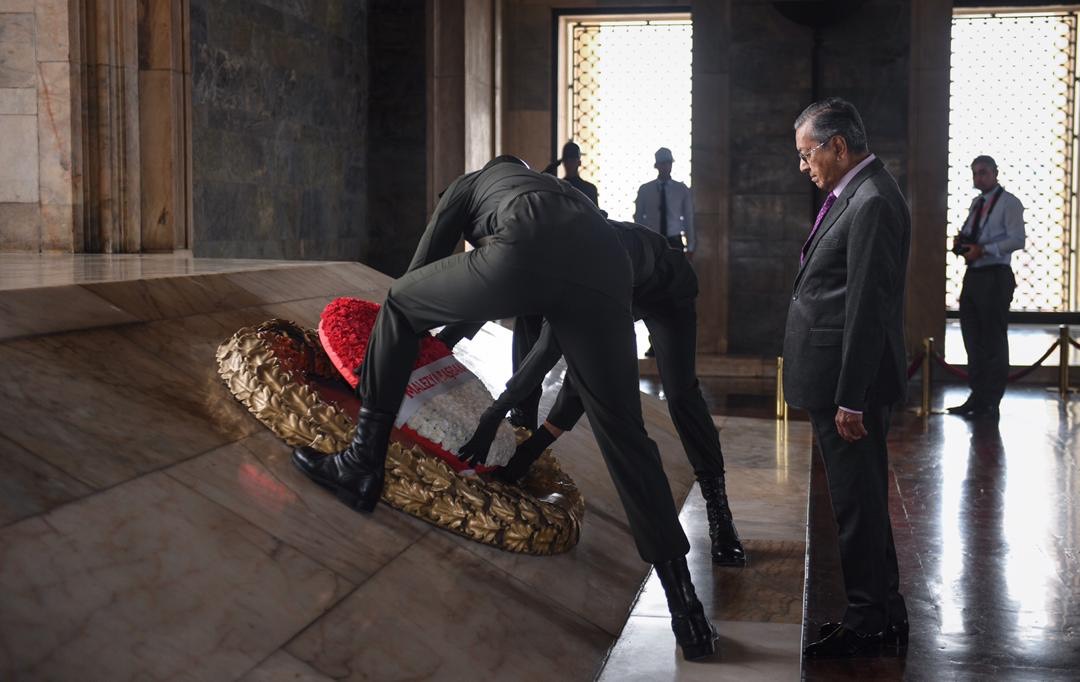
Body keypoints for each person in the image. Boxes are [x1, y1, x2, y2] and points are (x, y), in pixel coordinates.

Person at [291, 156, 718, 661]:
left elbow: (420, 276)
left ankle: (362, 463)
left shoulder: (469, 185)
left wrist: (397, 356)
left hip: (527, 245)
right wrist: (451, 337)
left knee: (402, 303)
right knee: (627, 437)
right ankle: (688, 613)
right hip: (606, 267)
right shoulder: (564, 194)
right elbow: (486, 290)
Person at [449, 220, 746, 566]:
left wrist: (495, 419)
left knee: (681, 395)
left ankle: (719, 513)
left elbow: (555, 358)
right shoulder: (546, 267)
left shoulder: (580, 271)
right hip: (621, 286)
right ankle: (527, 435)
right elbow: (570, 364)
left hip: (666, 288)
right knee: (587, 358)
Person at [783, 98, 910, 658]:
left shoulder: (873, 200)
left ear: (838, 145)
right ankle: (885, 606)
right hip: (836, 378)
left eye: (808, 153)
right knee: (859, 499)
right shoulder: (856, 193)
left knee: (855, 505)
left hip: (847, 385)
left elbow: (867, 307)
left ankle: (866, 622)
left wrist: (851, 399)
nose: (804, 165)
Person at [947, 155, 1025, 420]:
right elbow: (974, 236)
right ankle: (977, 396)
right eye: (975, 173)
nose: (978, 177)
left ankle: (992, 400)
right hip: (974, 275)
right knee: (972, 338)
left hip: (995, 275)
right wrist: (963, 244)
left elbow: (1017, 239)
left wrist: (984, 250)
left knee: (992, 340)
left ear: (995, 173)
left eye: (983, 172)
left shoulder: (1009, 203)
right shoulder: (976, 203)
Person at [634, 147, 695, 254]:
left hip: (674, 239)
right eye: (663, 163)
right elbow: (638, 217)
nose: (666, 167)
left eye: (668, 163)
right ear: (657, 166)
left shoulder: (681, 189)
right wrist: (640, 241)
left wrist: (690, 246)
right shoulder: (645, 190)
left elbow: (688, 217)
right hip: (652, 238)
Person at [543, 141, 599, 207]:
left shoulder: (590, 189)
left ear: (579, 162)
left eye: (572, 160)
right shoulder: (558, 188)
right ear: (563, 162)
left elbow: (595, 216)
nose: (569, 163)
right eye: (567, 160)